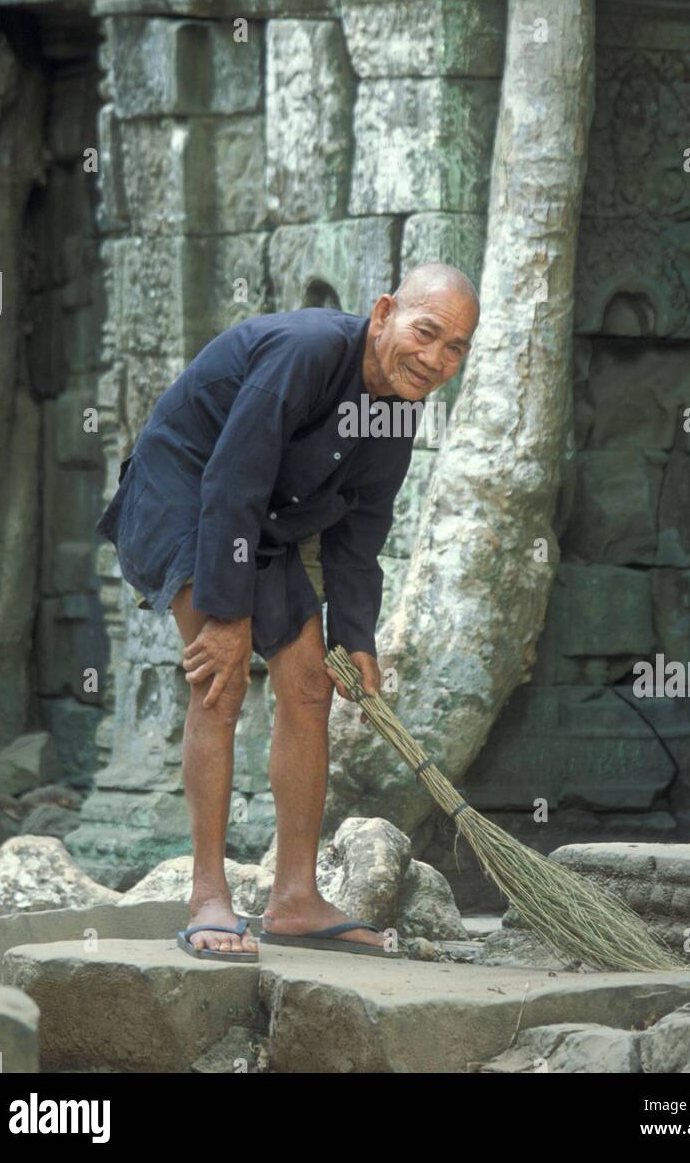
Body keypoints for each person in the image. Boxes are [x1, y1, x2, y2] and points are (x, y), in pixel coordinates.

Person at [96, 263, 480, 957]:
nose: (436, 359)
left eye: (457, 349)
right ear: (385, 310)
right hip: (185, 496)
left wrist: (355, 637)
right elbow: (231, 476)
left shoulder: (398, 404)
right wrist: (227, 616)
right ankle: (209, 897)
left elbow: (361, 534)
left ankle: (294, 899)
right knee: (223, 676)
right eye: (427, 333)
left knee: (309, 685)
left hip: (257, 519)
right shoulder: (307, 352)